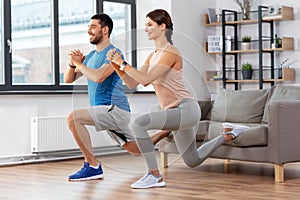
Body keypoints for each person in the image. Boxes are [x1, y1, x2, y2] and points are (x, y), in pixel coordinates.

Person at [106, 9, 249, 189]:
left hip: (186, 109)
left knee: (138, 124)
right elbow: (134, 83)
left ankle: (154, 175)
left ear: (162, 26)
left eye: (150, 24)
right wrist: (117, 67)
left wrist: (123, 63)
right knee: (192, 160)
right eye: (145, 25)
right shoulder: (153, 55)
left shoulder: (171, 52)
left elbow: (146, 79)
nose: (146, 29)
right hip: (174, 111)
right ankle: (229, 134)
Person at [64, 13, 170, 182]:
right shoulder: (91, 56)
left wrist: (78, 63)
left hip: (114, 109)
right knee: (134, 149)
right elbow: (68, 79)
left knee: (73, 118)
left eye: (93, 27)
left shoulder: (113, 52)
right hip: (104, 110)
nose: (89, 31)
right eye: (88, 27)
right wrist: (72, 64)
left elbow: (98, 76)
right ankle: (166, 131)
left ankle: (92, 166)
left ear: (105, 30)